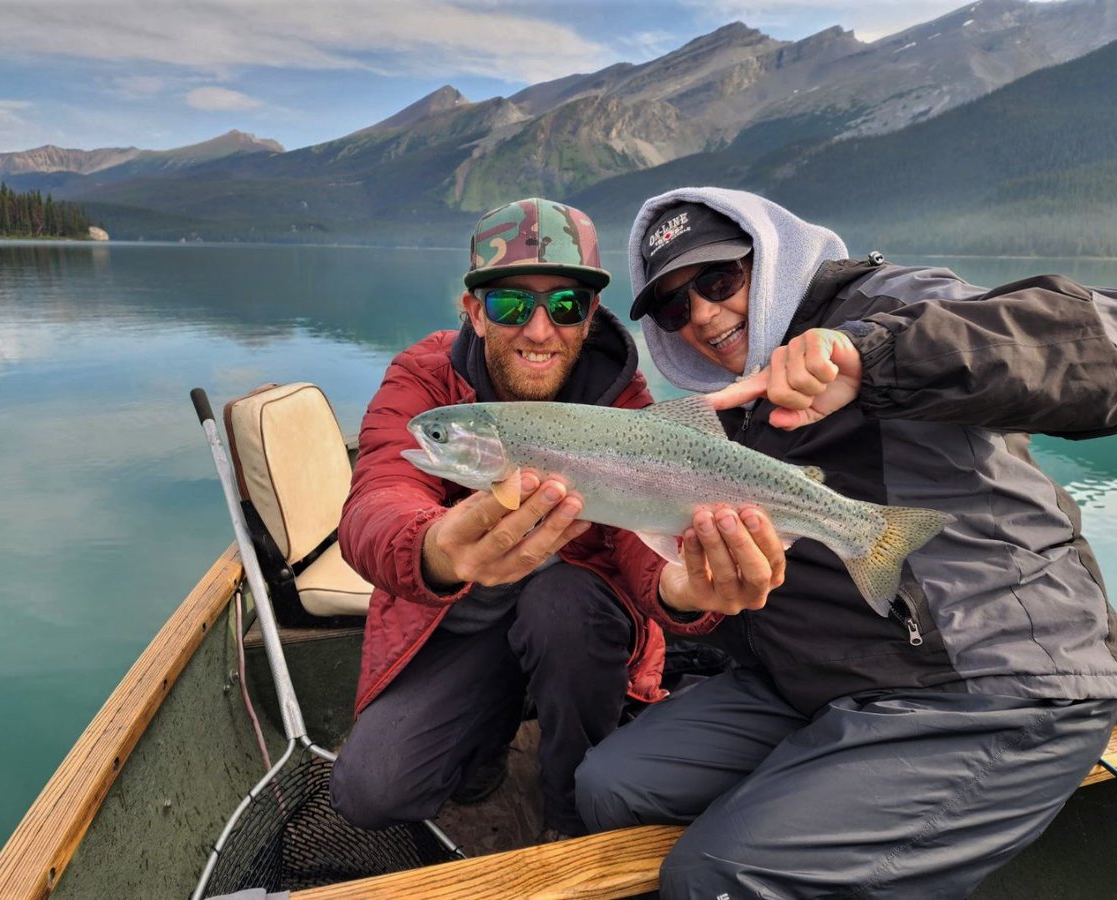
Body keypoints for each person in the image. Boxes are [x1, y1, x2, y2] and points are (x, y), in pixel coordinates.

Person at [574, 187, 1117, 898]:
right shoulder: (725, 413)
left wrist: (872, 357)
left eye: (719, 280)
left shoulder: (894, 305)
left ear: (771, 256)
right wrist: (692, 596)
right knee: (612, 786)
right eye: (672, 308)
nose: (700, 314)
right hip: (816, 680)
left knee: (717, 878)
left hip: (992, 680)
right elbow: (741, 588)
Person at [329, 197, 779, 840]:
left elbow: (638, 540)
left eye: (566, 305)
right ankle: (485, 743)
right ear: (474, 312)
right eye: (511, 305)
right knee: (371, 792)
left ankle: (569, 811)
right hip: (460, 625)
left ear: (590, 315)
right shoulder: (425, 381)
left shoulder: (624, 403)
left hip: (575, 630)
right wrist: (433, 547)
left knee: (563, 605)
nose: (539, 330)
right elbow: (378, 495)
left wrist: (677, 589)